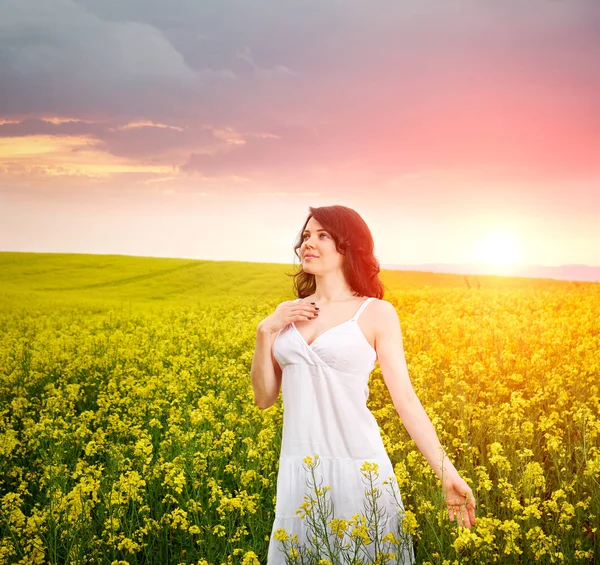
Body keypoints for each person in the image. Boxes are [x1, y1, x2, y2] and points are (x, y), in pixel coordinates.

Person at [251, 205, 477, 564]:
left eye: (323, 235)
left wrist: (446, 472)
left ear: (349, 246)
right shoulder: (287, 312)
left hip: (360, 466)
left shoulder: (375, 313)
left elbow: (405, 400)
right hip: (300, 469)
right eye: (306, 236)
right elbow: (264, 398)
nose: (309, 242)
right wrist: (266, 330)